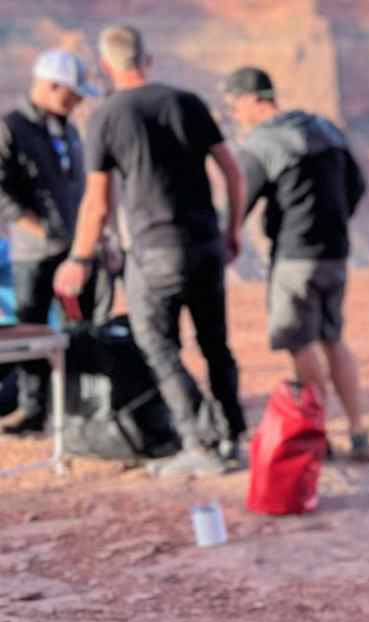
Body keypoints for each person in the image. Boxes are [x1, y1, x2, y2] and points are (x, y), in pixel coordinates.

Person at [54, 24, 245, 477]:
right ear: (147, 59)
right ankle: (233, 436)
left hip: (153, 251)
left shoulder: (106, 116)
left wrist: (80, 258)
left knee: (158, 347)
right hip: (204, 244)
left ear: (106, 65)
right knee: (216, 345)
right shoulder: (186, 102)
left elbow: (98, 200)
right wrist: (231, 231)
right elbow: (232, 172)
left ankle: (200, 442)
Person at [225, 67, 369, 458]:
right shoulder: (326, 128)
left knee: (299, 341)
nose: (235, 115)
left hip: (294, 256)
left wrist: (228, 238)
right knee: (333, 338)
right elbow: (357, 186)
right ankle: (358, 430)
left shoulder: (263, 142)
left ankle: (317, 433)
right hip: (336, 252)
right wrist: (333, 222)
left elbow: (239, 199)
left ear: (254, 99)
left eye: (235, 105)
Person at [0, 50, 115, 435]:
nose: (77, 102)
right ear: (49, 86)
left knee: (78, 324)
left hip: (75, 253)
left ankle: (79, 403)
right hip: (33, 255)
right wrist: (37, 229)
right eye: (71, 94)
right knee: (31, 329)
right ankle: (34, 410)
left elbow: (82, 187)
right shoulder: (11, 127)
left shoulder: (67, 129)